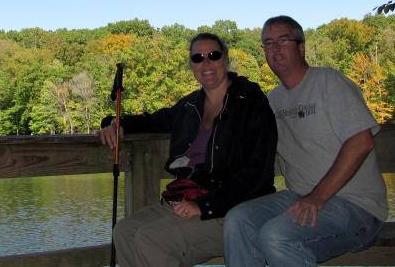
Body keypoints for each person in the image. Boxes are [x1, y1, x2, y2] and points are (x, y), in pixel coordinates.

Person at [95, 32, 278, 267]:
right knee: (124, 232)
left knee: (151, 240)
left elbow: (257, 172)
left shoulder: (251, 102)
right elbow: (151, 121)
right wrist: (114, 123)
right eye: (198, 58)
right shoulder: (190, 105)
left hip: (232, 210)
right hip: (183, 199)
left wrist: (204, 205)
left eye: (213, 55)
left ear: (226, 59)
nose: (206, 63)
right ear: (191, 66)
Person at [224, 16, 388, 266]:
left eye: (283, 40)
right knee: (238, 219)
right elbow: (248, 146)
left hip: (357, 206)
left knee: (276, 237)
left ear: (301, 47)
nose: (275, 49)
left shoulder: (329, 82)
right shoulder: (273, 101)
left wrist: (317, 197)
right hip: (299, 196)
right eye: (268, 43)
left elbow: (361, 142)